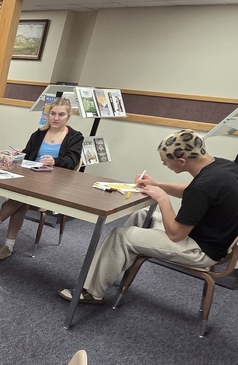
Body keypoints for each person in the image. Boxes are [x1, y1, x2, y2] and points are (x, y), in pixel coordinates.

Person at [58, 129, 238, 305]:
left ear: (182, 161)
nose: (164, 165)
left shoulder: (203, 186)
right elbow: (191, 191)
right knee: (142, 214)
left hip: (201, 249)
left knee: (121, 236)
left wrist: (163, 199)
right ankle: (111, 269)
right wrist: (157, 185)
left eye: (165, 161)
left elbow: (176, 234)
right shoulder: (221, 166)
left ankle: (92, 292)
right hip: (209, 235)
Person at [0, 96, 83, 260]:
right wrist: (18, 155)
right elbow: (28, 154)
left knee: (21, 197)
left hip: (55, 184)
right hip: (31, 179)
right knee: (23, 199)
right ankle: (7, 245)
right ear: (48, 115)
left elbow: (72, 161)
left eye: (61, 114)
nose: (56, 118)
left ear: (68, 116)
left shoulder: (75, 137)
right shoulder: (39, 134)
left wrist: (55, 161)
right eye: (53, 114)